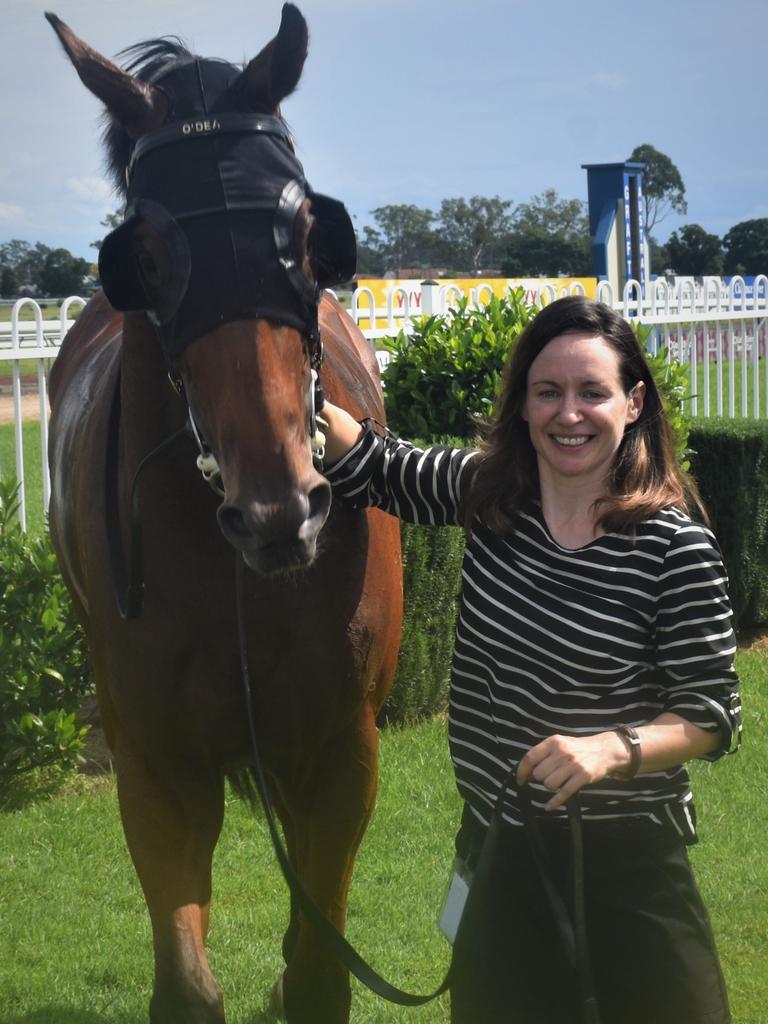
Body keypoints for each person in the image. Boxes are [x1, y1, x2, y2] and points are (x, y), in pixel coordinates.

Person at [320, 295, 741, 1024]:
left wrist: (612, 748)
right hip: (498, 856)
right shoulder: (489, 496)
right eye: (547, 392)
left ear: (634, 401)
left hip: (628, 871)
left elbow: (710, 716)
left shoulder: (675, 548)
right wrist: (288, 370)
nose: (567, 414)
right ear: (522, 405)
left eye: (591, 393)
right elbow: (373, 465)